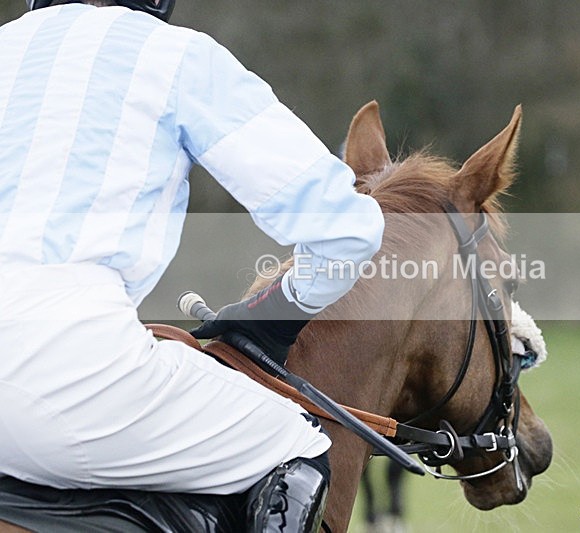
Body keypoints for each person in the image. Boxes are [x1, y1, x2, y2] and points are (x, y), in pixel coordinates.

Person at [0, 0, 384, 530]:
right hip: (65, 360)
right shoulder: (177, 56)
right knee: (295, 442)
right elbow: (346, 229)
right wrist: (274, 312)